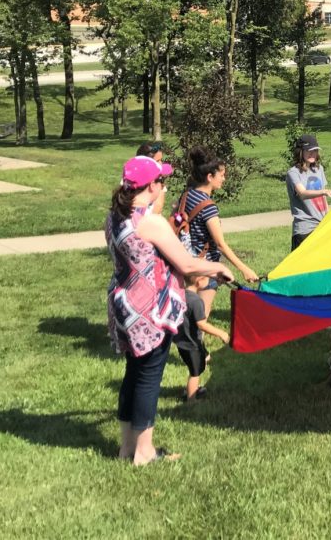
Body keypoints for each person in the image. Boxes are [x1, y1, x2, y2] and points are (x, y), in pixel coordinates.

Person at [106, 155, 234, 465]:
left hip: (125, 306)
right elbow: (187, 263)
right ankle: (144, 452)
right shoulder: (150, 222)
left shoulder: (115, 216)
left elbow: (148, 255)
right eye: (161, 181)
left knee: (134, 374)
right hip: (151, 311)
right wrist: (218, 266)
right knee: (149, 378)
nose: (164, 186)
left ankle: (126, 448)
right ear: (150, 186)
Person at [179, 147, 259, 320]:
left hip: (189, 261)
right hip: (206, 267)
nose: (224, 178)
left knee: (188, 313)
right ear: (209, 177)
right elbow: (221, 245)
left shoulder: (187, 195)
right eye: (221, 175)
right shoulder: (208, 207)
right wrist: (244, 269)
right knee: (201, 318)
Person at [174, 274, 230, 403]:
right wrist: (221, 333)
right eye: (207, 279)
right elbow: (202, 324)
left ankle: (191, 389)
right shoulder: (196, 301)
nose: (209, 281)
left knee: (204, 358)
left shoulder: (180, 295)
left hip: (182, 341)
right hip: (192, 344)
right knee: (195, 373)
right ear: (199, 282)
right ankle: (191, 399)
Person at [286, 134, 331, 251]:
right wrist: (324, 191)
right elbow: (303, 193)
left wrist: (328, 218)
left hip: (321, 226)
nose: (312, 154)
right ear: (300, 152)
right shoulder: (293, 173)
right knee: (300, 268)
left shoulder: (318, 169)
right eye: (308, 151)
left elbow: (323, 199)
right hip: (304, 229)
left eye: (315, 150)